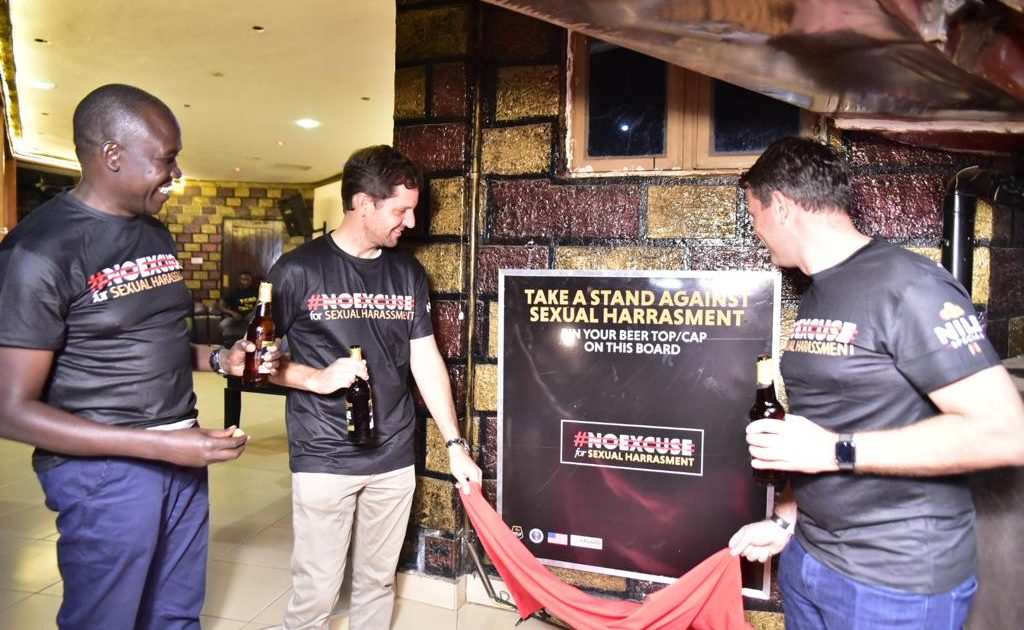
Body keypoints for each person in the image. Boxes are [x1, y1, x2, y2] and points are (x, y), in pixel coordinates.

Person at [0, 84, 279, 629]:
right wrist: (161, 446)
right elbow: (10, 410)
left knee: (175, 616)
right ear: (112, 154)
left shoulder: (154, 232)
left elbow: (153, 338)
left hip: (180, 451)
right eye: (166, 159)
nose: (176, 173)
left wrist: (220, 359)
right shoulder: (37, 252)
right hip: (105, 472)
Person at [727, 137, 1024, 629]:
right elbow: (824, 425)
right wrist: (785, 520)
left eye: (754, 213)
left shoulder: (909, 286)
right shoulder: (820, 290)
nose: (756, 230)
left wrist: (836, 451)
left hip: (893, 584)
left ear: (779, 206)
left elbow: (1007, 433)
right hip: (810, 559)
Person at [267, 144, 481, 630]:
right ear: (364, 203)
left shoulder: (406, 271)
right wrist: (315, 378)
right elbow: (256, 363)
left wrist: (455, 446)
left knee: (378, 582)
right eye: (400, 210)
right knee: (317, 589)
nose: (410, 222)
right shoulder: (297, 271)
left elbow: (425, 359)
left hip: (394, 455)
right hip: (324, 454)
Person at [219, 270, 259, 344]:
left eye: (247, 280)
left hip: (251, 317)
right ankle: (227, 344)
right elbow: (221, 305)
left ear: (251, 280)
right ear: (239, 280)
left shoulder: (256, 291)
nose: (245, 282)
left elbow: (261, 304)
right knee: (223, 324)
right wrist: (233, 313)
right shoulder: (234, 292)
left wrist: (253, 314)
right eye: (243, 279)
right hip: (236, 316)